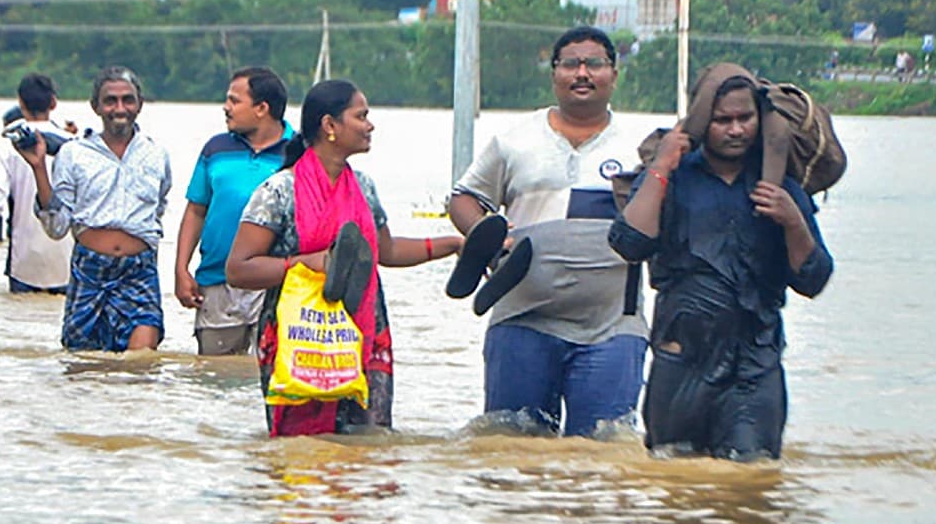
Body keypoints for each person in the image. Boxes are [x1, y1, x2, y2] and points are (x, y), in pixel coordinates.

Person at [608, 62, 834, 461]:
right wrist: (661, 165)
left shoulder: (779, 186)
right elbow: (629, 242)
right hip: (681, 359)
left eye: (744, 118)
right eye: (722, 120)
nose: (735, 130)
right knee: (671, 476)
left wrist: (793, 222)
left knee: (752, 473)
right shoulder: (673, 178)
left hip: (756, 363)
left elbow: (813, 280)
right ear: (700, 123)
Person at [226, 79, 463, 437]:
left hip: (364, 330)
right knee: (299, 453)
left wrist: (455, 244)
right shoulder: (279, 191)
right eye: (361, 116)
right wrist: (302, 263)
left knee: (370, 444)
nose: (370, 125)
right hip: (298, 334)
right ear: (329, 126)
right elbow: (238, 268)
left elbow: (387, 251)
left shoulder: (364, 187)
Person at [446, 26, 649, 438]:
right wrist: (485, 236)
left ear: (614, 73)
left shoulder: (641, 147)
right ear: (554, 73)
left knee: (603, 451)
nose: (582, 73)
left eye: (594, 64)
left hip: (611, 328)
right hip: (522, 319)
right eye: (570, 64)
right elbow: (462, 198)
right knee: (511, 447)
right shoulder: (514, 140)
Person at [25, 65, 171, 351]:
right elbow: (57, 228)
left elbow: (159, 207)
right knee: (83, 364)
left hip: (139, 270)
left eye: (128, 100)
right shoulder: (73, 154)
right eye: (110, 100)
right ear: (96, 107)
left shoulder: (156, 154)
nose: (120, 108)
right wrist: (39, 167)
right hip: (90, 267)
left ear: (139, 105)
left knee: (140, 362)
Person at [175, 67, 295, 356]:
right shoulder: (215, 148)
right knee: (215, 379)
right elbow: (196, 211)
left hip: (276, 283)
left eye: (234, 101)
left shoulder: (299, 152)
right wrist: (181, 269)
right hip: (217, 282)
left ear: (261, 108)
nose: (226, 108)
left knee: (271, 373)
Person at [0, 74, 73, 294]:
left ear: (21, 103)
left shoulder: (7, 146)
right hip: (67, 261)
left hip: (24, 262)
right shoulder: (73, 144)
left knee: (19, 320)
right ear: (53, 103)